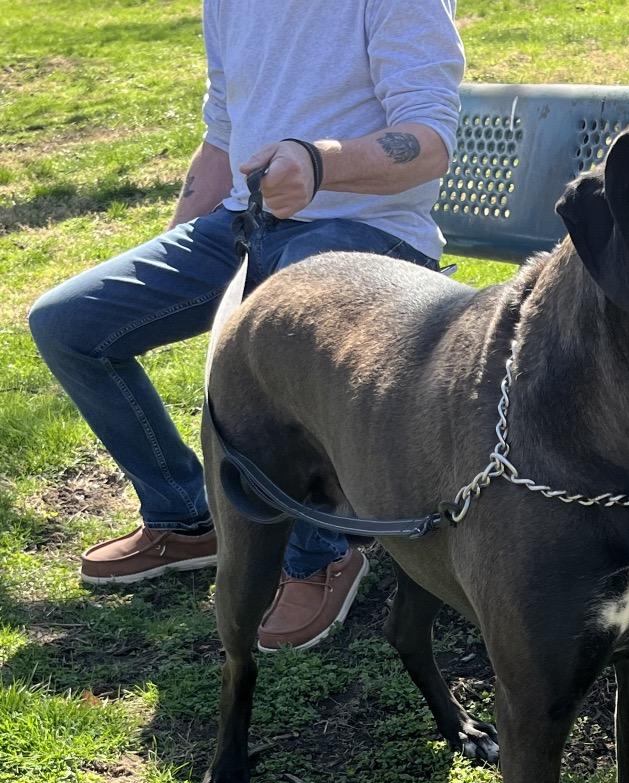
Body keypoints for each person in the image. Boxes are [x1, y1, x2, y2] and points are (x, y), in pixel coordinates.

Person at [28, 0, 464, 652]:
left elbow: (429, 138)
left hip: (372, 239)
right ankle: (184, 514)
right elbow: (222, 136)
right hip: (243, 227)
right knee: (67, 325)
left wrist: (318, 164)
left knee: (290, 326)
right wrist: (176, 247)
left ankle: (324, 553)